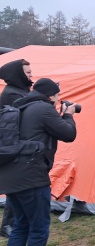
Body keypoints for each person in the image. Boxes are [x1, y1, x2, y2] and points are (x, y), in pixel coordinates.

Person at [0, 78, 77, 245]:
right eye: (57, 96)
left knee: (21, 225)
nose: (58, 99)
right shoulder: (43, 108)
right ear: (50, 97)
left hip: (10, 177)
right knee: (39, 228)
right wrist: (68, 115)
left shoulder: (20, 106)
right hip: (31, 178)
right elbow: (68, 134)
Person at [0, 59, 33, 239]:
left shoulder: (21, 91)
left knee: (19, 187)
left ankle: (15, 222)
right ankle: (8, 225)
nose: (31, 75)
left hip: (20, 144)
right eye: (27, 73)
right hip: (12, 146)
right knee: (15, 187)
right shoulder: (11, 94)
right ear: (18, 75)